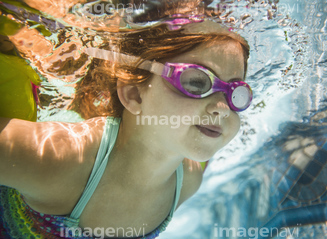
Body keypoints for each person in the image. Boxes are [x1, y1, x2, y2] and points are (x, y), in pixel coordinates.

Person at [0, 20, 251, 238]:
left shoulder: (188, 183)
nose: (222, 108)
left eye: (236, 93)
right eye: (197, 82)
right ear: (134, 95)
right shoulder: (61, 160)